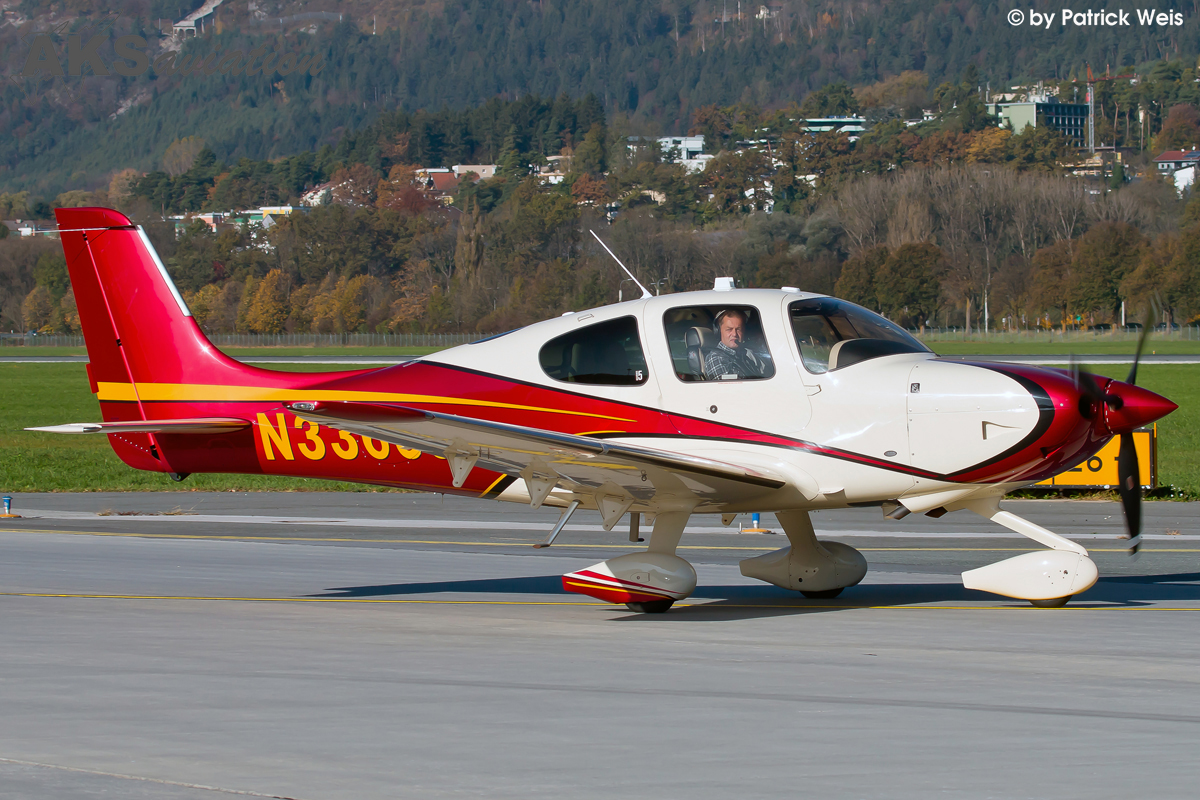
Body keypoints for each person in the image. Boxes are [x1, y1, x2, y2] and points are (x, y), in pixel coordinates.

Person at [703, 309, 771, 379]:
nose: (734, 334)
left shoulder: (747, 354)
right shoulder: (716, 358)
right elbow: (728, 385)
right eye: (729, 329)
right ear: (719, 332)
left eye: (739, 329)